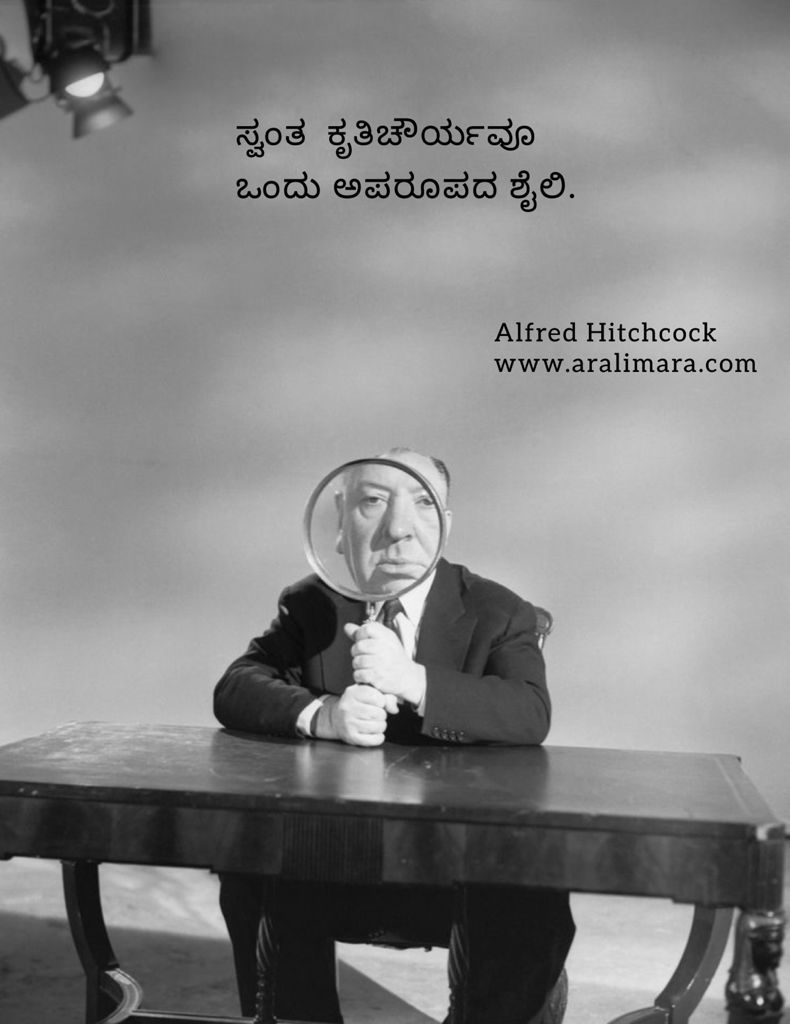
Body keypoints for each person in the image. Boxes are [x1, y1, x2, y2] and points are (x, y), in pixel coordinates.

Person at [213, 448, 575, 1024]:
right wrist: (324, 714)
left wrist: (412, 680)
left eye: (423, 504)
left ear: (445, 525)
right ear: (340, 528)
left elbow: (529, 711)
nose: (399, 529)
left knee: (528, 892)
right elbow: (236, 686)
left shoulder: (499, 611)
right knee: (252, 865)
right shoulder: (310, 605)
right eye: (374, 502)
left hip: (463, 864)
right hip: (334, 858)